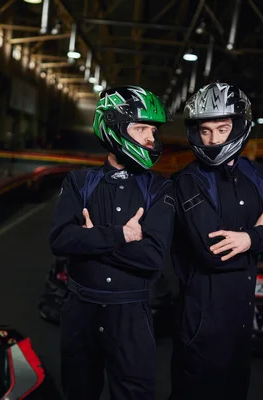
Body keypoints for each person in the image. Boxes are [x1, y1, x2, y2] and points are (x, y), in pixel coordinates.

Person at [169, 82, 263, 400]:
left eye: (222, 129)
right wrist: (260, 234)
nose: (213, 140)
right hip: (203, 317)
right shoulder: (187, 181)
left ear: (238, 127)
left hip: (243, 313)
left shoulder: (256, 175)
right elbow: (214, 251)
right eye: (205, 131)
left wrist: (248, 238)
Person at [49, 85, 176, 400]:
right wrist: (120, 234)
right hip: (81, 312)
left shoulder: (161, 189)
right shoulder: (79, 182)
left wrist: (92, 239)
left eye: (153, 130)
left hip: (130, 314)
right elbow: (61, 239)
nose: (151, 137)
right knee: (78, 391)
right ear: (114, 126)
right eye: (141, 128)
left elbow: (152, 257)